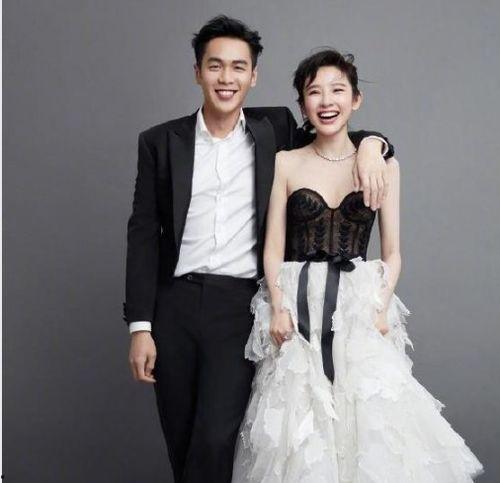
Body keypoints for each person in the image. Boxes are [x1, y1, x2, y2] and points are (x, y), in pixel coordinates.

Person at [123, 16, 394, 483]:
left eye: (238, 67)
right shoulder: (160, 142)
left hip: (239, 306)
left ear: (253, 76)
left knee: (216, 437)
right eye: (215, 66)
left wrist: (375, 144)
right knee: (181, 438)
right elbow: (143, 233)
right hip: (173, 305)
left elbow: (335, 135)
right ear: (197, 72)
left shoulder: (276, 129)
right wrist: (140, 326)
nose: (226, 78)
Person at [232, 49, 484, 482]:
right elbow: (272, 249)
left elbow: (393, 253)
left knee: (366, 419)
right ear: (302, 105)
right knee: (299, 424)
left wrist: (379, 306)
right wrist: (277, 304)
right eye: (314, 92)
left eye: (337, 90)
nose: (326, 101)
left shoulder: (384, 164)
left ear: (356, 99)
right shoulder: (287, 162)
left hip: (356, 302)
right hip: (296, 303)